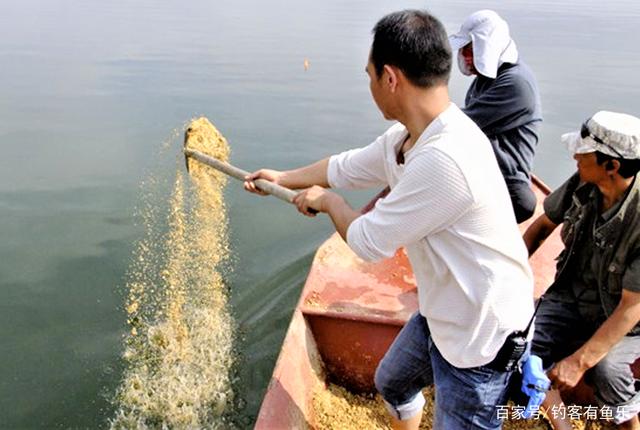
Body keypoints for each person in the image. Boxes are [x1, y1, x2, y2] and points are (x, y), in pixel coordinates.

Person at [245, 10, 534, 429]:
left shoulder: (446, 159)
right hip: (444, 311)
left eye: (369, 75)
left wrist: (328, 203)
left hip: (481, 335)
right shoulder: (412, 135)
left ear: (391, 78)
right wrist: (282, 177)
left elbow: (367, 241)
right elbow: (347, 167)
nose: (369, 86)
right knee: (394, 382)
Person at [523, 111, 640, 430]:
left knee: (607, 371)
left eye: (584, 153)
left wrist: (579, 361)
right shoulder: (585, 181)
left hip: (627, 318)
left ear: (612, 165)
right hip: (571, 298)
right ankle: (562, 425)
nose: (575, 156)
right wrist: (510, 281)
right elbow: (541, 226)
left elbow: (632, 308)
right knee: (520, 343)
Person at [449, 10, 542, 223]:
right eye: (464, 50)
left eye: (470, 50)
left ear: (487, 47)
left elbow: (460, 126)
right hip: (481, 172)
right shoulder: (485, 79)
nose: (465, 58)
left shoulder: (516, 83)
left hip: (505, 184)